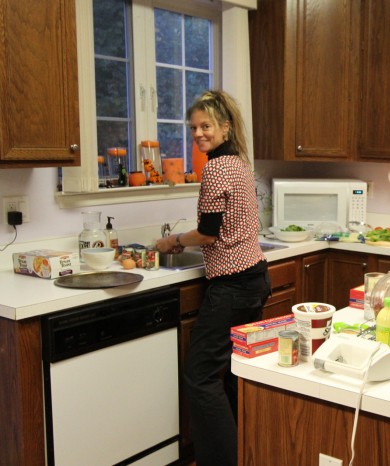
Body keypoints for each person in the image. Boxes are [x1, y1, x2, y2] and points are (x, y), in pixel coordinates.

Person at [155, 89, 270, 466]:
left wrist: (172, 240)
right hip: (254, 280)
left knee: (200, 376)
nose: (199, 134)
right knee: (235, 371)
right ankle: (246, 449)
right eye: (193, 129)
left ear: (225, 127)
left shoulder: (217, 168)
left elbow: (207, 232)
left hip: (233, 286)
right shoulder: (238, 162)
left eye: (206, 126)